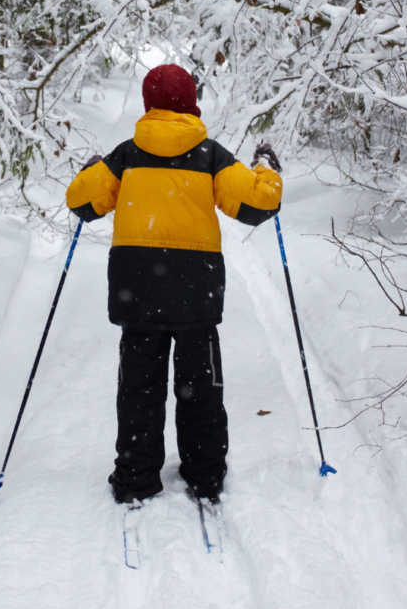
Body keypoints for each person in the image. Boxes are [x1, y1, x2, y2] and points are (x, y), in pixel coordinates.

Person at [66, 64, 282, 504]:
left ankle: (135, 476)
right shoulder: (209, 155)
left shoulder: (126, 155)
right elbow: (259, 205)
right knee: (200, 385)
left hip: (137, 288)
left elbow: (82, 202)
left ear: (148, 104)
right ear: (191, 102)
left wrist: (90, 170)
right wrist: (266, 167)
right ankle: (204, 474)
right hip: (194, 292)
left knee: (139, 386)